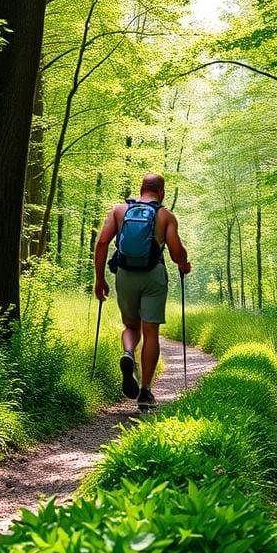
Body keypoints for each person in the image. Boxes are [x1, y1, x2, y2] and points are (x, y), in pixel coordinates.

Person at [93, 173, 191, 409]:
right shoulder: (165, 215)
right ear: (162, 192)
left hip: (125, 276)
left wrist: (99, 280)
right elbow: (177, 252)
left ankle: (128, 353)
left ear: (140, 189)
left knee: (131, 326)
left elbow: (102, 243)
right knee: (151, 332)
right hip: (153, 276)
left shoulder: (119, 210)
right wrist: (183, 264)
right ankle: (145, 391)